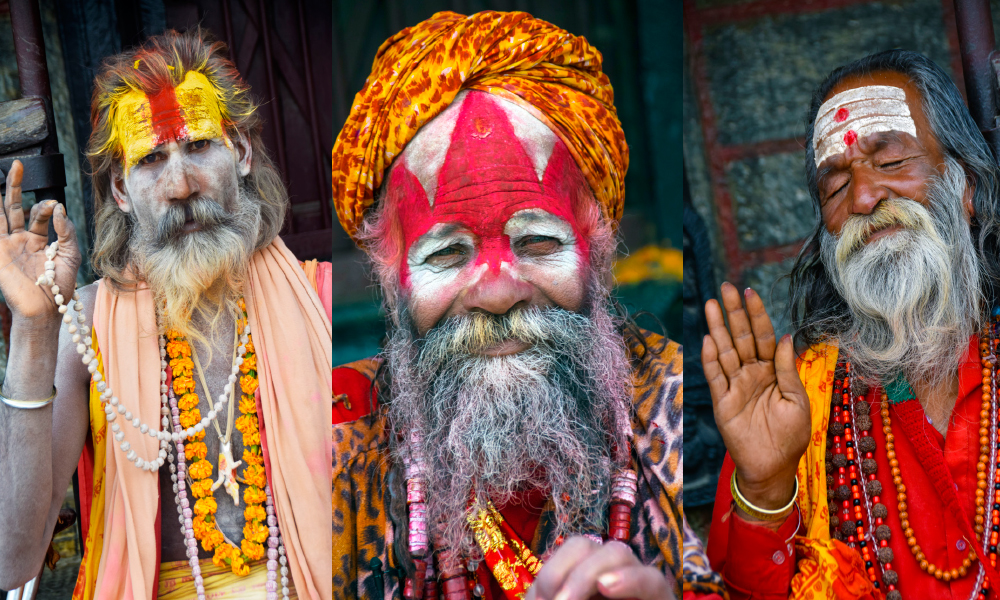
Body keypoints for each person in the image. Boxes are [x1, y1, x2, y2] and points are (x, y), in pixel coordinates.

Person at [331, 10, 721, 600]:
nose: (496, 290)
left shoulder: (675, 399)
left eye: (538, 242)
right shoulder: (334, 442)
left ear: (598, 250)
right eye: (446, 254)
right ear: (392, 275)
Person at [0, 29, 332, 600]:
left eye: (199, 146)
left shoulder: (323, 298)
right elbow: (12, 558)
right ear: (122, 191)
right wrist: (33, 330)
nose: (180, 186)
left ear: (243, 155)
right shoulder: (86, 329)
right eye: (152, 159)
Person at [703, 49, 1000, 599]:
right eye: (835, 188)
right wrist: (766, 488)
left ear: (965, 189)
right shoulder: (798, 398)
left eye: (890, 163)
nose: (864, 197)